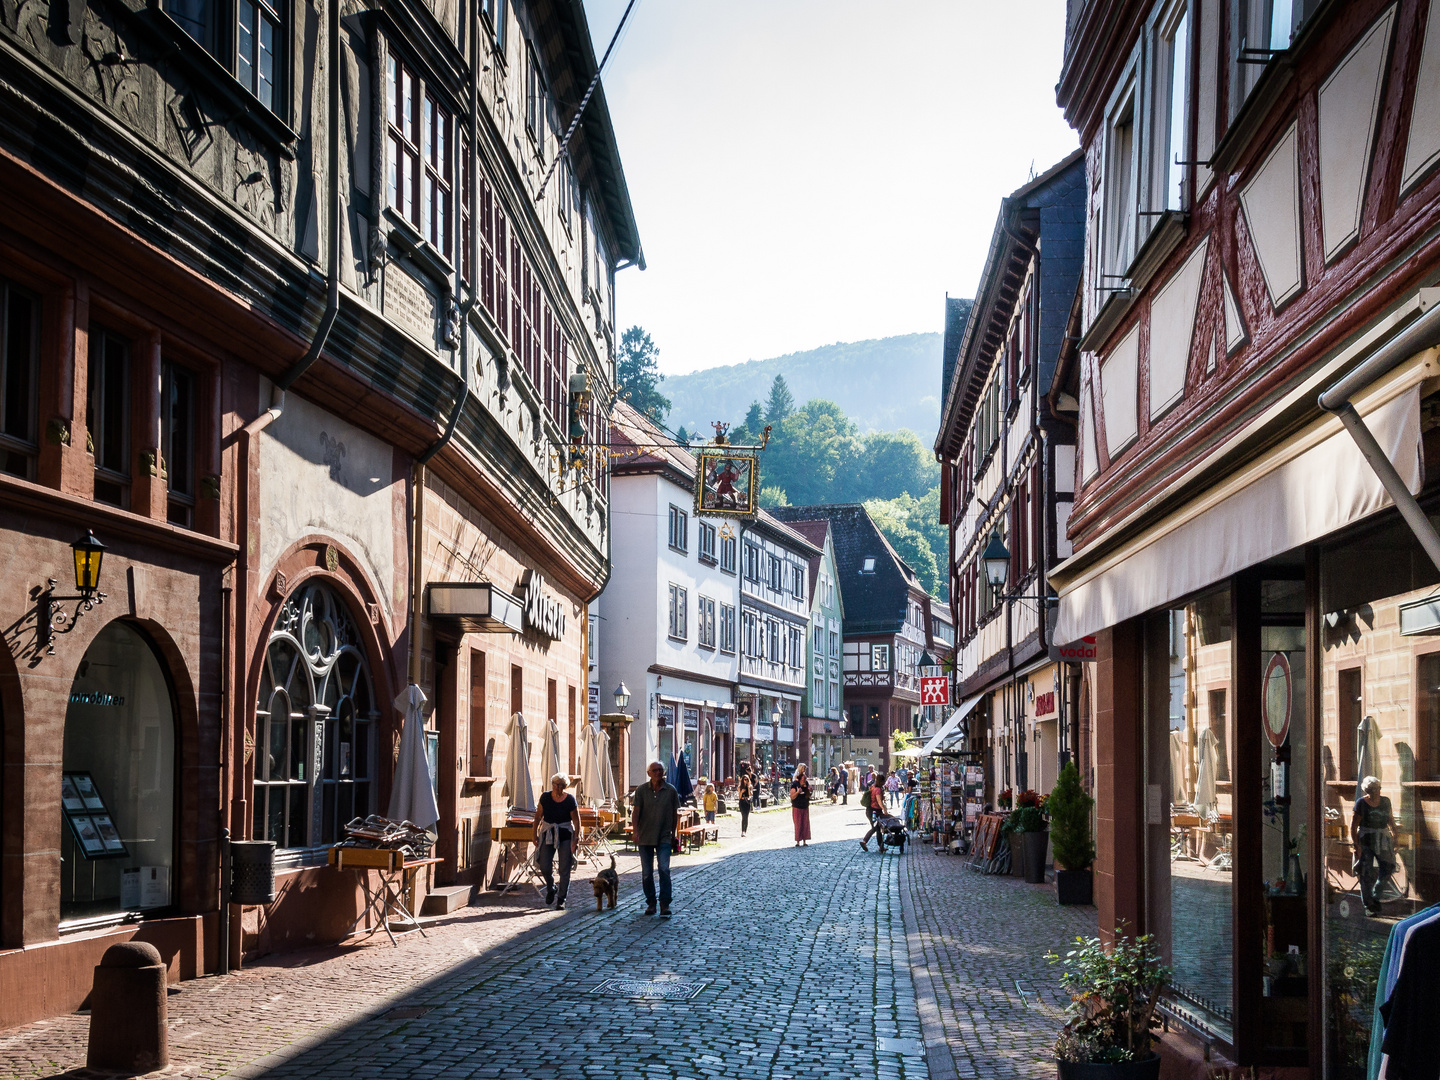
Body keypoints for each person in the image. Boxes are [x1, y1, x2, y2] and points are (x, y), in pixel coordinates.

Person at [632, 760, 681, 916]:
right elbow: (636, 812)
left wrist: (674, 834)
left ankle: (664, 903)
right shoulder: (641, 791)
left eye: (660, 770)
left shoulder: (671, 790)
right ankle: (651, 903)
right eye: (655, 770)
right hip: (645, 835)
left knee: (664, 869)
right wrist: (635, 831)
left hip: (664, 836)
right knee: (647, 872)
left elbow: (675, 814)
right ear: (649, 773)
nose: (658, 773)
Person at [533, 773, 581, 909]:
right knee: (544, 865)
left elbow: (577, 821)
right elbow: (537, 817)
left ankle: (561, 899)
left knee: (564, 868)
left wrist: (576, 839)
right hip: (548, 833)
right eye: (554, 784)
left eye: (559, 785)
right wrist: (534, 835)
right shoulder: (545, 797)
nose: (556, 787)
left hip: (565, 834)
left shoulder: (570, 800)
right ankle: (551, 887)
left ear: (564, 786)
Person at [1351, 775, 1397, 916]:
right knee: (1366, 872)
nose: (1377, 791)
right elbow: (1353, 827)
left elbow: (1390, 819)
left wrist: (1396, 835)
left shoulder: (1385, 801)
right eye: (1373, 789)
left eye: (1378, 788)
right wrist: (1356, 845)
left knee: (1388, 867)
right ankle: (1369, 905)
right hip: (1366, 840)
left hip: (1383, 838)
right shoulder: (1361, 803)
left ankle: (1376, 896)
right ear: (1367, 790)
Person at [859, 772, 887, 851]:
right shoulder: (877, 790)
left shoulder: (873, 787)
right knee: (876, 828)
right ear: (881, 781)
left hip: (871, 810)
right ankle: (864, 841)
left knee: (877, 828)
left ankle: (880, 846)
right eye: (883, 781)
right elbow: (879, 801)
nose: (884, 783)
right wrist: (884, 809)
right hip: (874, 811)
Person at [790, 764, 813, 847]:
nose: (805, 780)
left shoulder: (806, 783)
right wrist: (797, 792)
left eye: (805, 779)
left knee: (805, 824)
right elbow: (792, 796)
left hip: (805, 806)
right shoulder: (795, 784)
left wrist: (810, 790)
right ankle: (797, 841)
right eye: (803, 779)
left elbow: (808, 794)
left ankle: (804, 841)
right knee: (798, 824)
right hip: (797, 807)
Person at [736, 768, 754, 837]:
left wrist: (749, 789)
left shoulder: (750, 786)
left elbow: (750, 795)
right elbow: (739, 796)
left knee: (746, 817)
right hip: (742, 802)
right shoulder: (740, 787)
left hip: (747, 802)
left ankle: (745, 831)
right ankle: (742, 831)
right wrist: (741, 792)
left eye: (747, 779)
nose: (746, 780)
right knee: (743, 816)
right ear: (742, 780)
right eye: (745, 779)